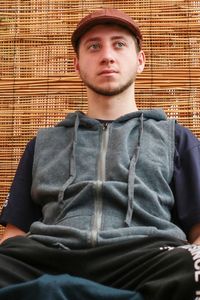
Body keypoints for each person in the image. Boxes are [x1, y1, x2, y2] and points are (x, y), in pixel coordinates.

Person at [0, 8, 200, 300]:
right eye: (94, 46)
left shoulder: (176, 138)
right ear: (77, 64)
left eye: (119, 44)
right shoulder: (43, 143)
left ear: (140, 61)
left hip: (143, 260)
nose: (107, 55)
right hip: (49, 259)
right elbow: (14, 236)